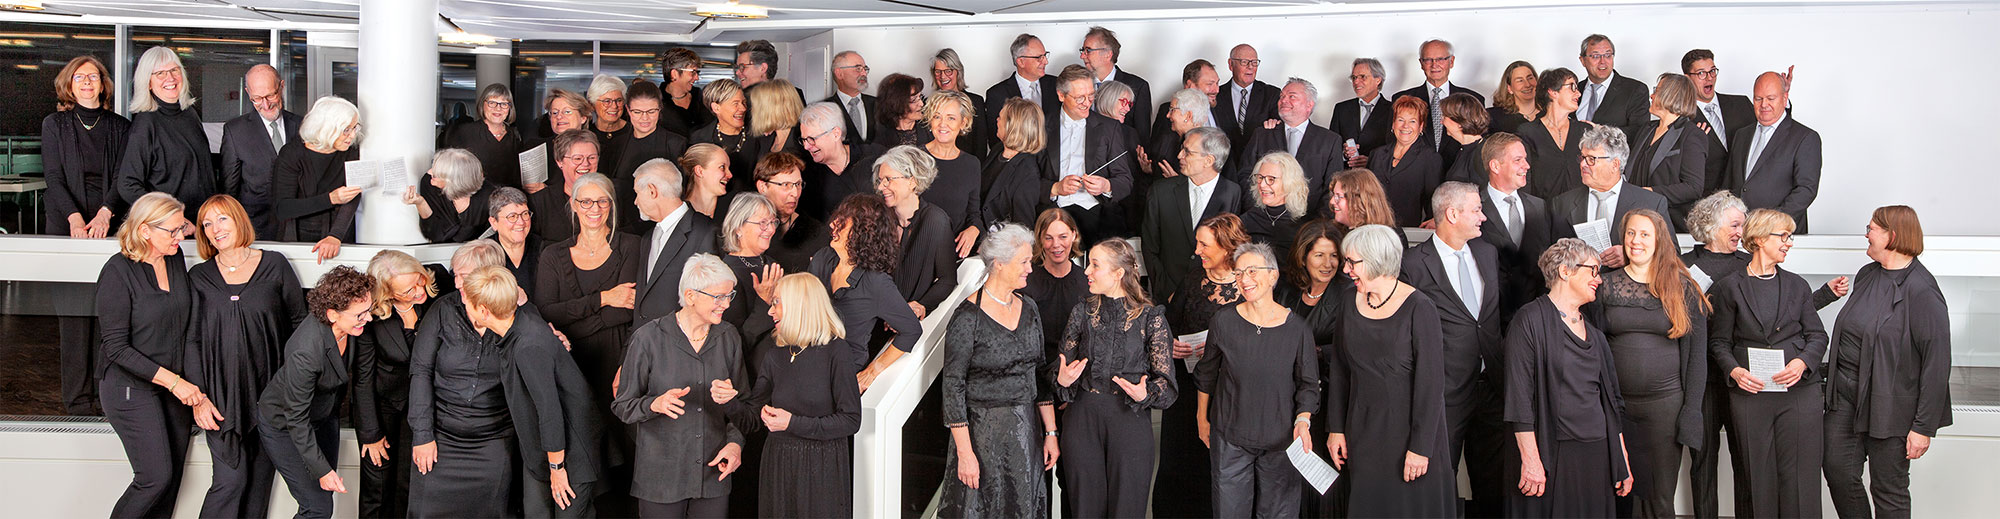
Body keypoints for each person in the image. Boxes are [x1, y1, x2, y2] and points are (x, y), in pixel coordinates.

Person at [179, 194, 303, 519]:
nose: (215, 229)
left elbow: (300, 323)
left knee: (259, 485)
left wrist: (295, 382)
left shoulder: (274, 264)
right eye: (207, 224)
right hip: (219, 397)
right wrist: (199, 400)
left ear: (238, 220)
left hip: (271, 395)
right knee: (230, 481)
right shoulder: (199, 277)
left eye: (222, 219)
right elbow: (189, 340)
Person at [1825, 206, 1951, 519]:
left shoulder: (1923, 291)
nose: (1866, 234)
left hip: (1891, 407)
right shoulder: (1867, 275)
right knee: (1838, 472)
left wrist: (1923, 428)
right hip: (1845, 399)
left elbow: (1937, 364)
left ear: (1891, 236)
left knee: (1888, 490)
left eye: (1871, 228)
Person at [1324, 225, 1455, 516]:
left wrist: (1420, 448)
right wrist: (1336, 429)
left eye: (1352, 262)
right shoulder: (1348, 301)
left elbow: (1431, 385)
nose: (1346, 270)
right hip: (1363, 432)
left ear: (1377, 260)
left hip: (1409, 436)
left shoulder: (1420, 307)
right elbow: (1341, 370)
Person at [1706, 209, 1827, 519]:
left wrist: (1802, 363)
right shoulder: (1729, 287)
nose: (1788, 243)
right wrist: (1733, 370)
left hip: (1799, 394)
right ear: (1759, 239)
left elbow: (1817, 336)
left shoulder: (1798, 286)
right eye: (1782, 236)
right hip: (1751, 395)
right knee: (1756, 477)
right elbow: (1718, 342)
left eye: (1790, 237)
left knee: (1800, 479)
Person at [1398, 182, 1510, 516]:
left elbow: (1490, 318)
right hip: (1444, 390)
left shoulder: (1488, 253)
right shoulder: (1414, 264)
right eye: (1476, 210)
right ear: (1452, 213)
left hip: (1492, 385)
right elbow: (1407, 333)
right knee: (1438, 481)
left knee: (1494, 481)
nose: (1483, 217)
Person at [1505, 238, 1635, 517]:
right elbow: (1519, 399)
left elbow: (1612, 402)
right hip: (1555, 453)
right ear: (1565, 271)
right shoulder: (1528, 322)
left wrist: (1621, 457)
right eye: (1593, 271)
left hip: (1597, 452)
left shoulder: (1596, 335)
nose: (1598, 280)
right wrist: (1530, 460)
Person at [1598, 209, 1715, 519]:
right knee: (1620, 496)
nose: (1636, 241)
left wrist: (1691, 412)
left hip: (1665, 408)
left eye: (1644, 234)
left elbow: (1696, 358)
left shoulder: (1683, 287)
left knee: (1660, 498)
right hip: (1616, 409)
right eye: (1630, 233)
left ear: (1660, 241)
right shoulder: (1604, 287)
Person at [1043, 236, 1171, 518]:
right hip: (1082, 420)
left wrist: (1145, 393)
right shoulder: (1082, 311)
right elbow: (1058, 370)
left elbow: (1166, 383)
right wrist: (1062, 380)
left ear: (1118, 274)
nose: (1086, 271)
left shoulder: (1151, 318)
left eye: (1095, 265)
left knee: (1127, 508)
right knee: (1084, 508)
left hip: (1130, 421)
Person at [612, 254, 748, 518]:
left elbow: (745, 407)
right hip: (660, 482)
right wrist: (654, 403)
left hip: (713, 477)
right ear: (690, 296)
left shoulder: (729, 337)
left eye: (728, 296)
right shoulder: (648, 339)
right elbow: (623, 406)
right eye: (717, 297)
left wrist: (735, 444)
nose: (725, 305)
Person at [939, 224, 1058, 518]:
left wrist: (1051, 432)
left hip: (1025, 434)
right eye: (1024, 262)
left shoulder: (1029, 308)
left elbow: (1039, 372)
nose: (1030, 269)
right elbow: (952, 388)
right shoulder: (967, 317)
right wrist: (966, 455)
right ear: (999, 263)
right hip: (981, 438)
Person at [1195, 243, 1319, 517]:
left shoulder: (1297, 328)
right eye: (1239, 273)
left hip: (1281, 441)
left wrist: (1303, 421)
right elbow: (1207, 373)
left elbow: (1308, 385)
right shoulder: (1223, 321)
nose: (1244, 279)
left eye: (1252, 271)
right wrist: (1202, 418)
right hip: (1230, 438)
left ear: (1273, 275)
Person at [96, 192, 200, 518]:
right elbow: (116, 347)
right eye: (172, 231)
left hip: (173, 387)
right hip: (129, 386)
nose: (180, 236)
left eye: (181, 228)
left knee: (171, 485)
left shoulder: (174, 257)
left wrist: (191, 388)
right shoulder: (117, 272)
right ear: (144, 231)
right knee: (155, 478)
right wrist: (175, 382)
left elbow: (184, 327)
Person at [480, 264, 607, 519]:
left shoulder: (528, 345)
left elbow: (549, 409)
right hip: (540, 451)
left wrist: (557, 468)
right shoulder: (518, 325)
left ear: (483, 311)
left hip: (569, 455)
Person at [534, 172, 642, 472]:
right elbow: (547, 312)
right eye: (585, 201)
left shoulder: (632, 246)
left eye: (601, 201)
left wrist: (575, 320)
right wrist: (604, 298)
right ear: (573, 204)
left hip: (618, 358)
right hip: (569, 361)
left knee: (623, 444)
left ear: (612, 204)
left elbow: (628, 312)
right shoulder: (553, 254)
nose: (594, 208)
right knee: (579, 446)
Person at [407, 241, 519, 518]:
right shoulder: (442, 310)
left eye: (465, 276)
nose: (457, 284)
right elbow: (420, 371)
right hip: (440, 440)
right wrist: (422, 435)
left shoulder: (517, 314)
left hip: (494, 442)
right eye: (456, 274)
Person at [43, 55, 129, 416]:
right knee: (74, 320)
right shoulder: (55, 124)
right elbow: (54, 178)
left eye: (93, 76)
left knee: (108, 316)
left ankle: (104, 398)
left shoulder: (121, 127)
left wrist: (105, 214)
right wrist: (76, 220)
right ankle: (77, 403)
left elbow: (125, 179)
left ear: (103, 84)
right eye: (80, 77)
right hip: (68, 230)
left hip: (108, 228)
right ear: (69, 83)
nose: (87, 82)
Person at [740, 273, 863, 517]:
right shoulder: (775, 354)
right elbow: (751, 417)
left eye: (776, 303)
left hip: (821, 469)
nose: (770, 312)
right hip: (778, 465)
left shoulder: (836, 352)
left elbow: (851, 420)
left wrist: (792, 423)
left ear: (798, 304)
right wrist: (728, 401)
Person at [258, 266, 373, 519]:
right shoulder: (306, 351)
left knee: (324, 497)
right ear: (332, 314)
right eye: (360, 314)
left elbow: (361, 382)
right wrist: (321, 470)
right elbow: (296, 419)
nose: (369, 318)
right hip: (285, 425)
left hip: (323, 416)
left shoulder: (353, 328)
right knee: (318, 507)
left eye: (368, 310)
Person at [1154, 213, 1247, 519]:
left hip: (1230, 393)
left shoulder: (1250, 285)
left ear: (1227, 248)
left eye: (1204, 245)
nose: (1197, 251)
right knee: (1178, 463)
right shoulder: (1194, 279)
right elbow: (1167, 324)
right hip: (1188, 388)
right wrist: (1173, 344)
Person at [355, 250, 448, 519]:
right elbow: (363, 377)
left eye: (418, 281)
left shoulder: (437, 279)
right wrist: (370, 434)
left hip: (430, 404)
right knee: (378, 487)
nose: (419, 291)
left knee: (413, 482)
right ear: (388, 294)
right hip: (385, 406)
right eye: (407, 291)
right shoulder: (371, 313)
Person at [809, 195, 924, 389]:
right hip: (809, 365)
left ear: (862, 231)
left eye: (842, 222)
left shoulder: (876, 282)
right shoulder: (822, 258)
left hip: (842, 377)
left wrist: (873, 370)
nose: (832, 225)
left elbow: (911, 330)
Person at [1552, 124, 1678, 269]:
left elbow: (1673, 255)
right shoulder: (1562, 204)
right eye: (1582, 157)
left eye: (1591, 159)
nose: (1582, 164)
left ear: (1615, 164)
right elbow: (1553, 256)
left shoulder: (1651, 203)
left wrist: (1630, 255)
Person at [1141, 126, 1242, 299]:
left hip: (1212, 296)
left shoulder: (1232, 192)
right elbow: (1149, 246)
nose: (1179, 155)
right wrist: (1163, 287)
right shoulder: (1161, 191)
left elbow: (1230, 247)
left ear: (1208, 160)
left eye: (1187, 152)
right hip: (1168, 294)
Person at [117, 47, 214, 222]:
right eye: (160, 73)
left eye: (174, 70)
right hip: (172, 228)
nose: (170, 78)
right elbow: (128, 185)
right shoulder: (146, 123)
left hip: (201, 222)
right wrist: (167, 217)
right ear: (147, 82)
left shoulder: (190, 113)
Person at [1724, 72, 1821, 233]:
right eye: (1758, 99)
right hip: (1741, 233)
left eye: (1771, 98)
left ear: (1784, 98)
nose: (1764, 105)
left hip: (1780, 234)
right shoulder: (1742, 135)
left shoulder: (1805, 137)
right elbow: (1730, 184)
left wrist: (1772, 222)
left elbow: (1806, 190)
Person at [273, 96, 364, 262]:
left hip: (339, 238)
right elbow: (283, 208)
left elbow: (353, 197)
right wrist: (331, 199)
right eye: (346, 130)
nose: (352, 136)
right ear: (327, 128)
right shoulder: (292, 155)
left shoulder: (351, 152)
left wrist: (335, 236)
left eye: (354, 128)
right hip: (297, 239)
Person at [1478, 133, 1559, 319]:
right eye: (1518, 160)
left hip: (1535, 316)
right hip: (1489, 318)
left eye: (1525, 159)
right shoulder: (1474, 207)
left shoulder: (1539, 207)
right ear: (1495, 166)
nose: (1527, 166)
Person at [1231, 77, 1341, 213]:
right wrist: (1255, 211)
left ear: (1309, 104)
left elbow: (1332, 186)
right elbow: (1245, 175)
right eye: (1281, 96)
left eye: (1292, 96)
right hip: (1264, 218)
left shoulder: (1330, 140)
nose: (1283, 100)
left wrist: (1318, 224)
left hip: (1310, 221)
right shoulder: (1262, 134)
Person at [875, 145, 960, 316]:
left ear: (912, 181)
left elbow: (947, 280)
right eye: (880, 181)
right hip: (876, 316)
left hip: (910, 322)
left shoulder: (936, 221)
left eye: (888, 180)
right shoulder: (878, 220)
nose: (880, 187)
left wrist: (921, 305)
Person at [220, 64, 301, 239]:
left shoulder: (303, 126)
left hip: (299, 227)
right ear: (248, 92)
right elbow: (230, 190)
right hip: (257, 229)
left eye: (271, 95)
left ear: (281, 86)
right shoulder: (235, 131)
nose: (265, 104)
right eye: (256, 98)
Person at [1680, 49, 1760, 209]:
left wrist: (1783, 102)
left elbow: (1770, 131)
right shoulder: (1682, 118)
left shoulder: (1741, 105)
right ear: (1688, 78)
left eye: (1712, 71)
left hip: (1750, 201)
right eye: (1701, 73)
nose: (1709, 77)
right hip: (1710, 206)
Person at [1628, 74, 1710, 227]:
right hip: (1635, 218)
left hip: (1668, 223)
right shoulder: (1647, 129)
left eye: (1656, 91)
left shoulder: (1691, 134)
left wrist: (1650, 192)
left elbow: (1693, 187)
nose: (1651, 95)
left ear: (1671, 95)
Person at [611, 79, 692, 231]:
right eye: (637, 112)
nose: (644, 118)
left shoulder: (676, 144)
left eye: (651, 111)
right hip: (623, 229)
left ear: (660, 109)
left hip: (662, 229)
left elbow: (684, 193)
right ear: (628, 110)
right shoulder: (616, 144)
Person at [1393, 39, 1486, 170]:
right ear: (1421, 63)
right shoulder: (1403, 99)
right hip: (1414, 173)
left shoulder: (1473, 99)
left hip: (1460, 174)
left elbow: (1479, 144)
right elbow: (1392, 140)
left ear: (1451, 61)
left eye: (1440, 59)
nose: (1434, 65)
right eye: (1428, 60)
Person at [798, 101, 887, 221]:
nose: (806, 146)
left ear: (836, 134)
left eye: (811, 139)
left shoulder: (875, 156)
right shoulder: (807, 174)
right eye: (803, 140)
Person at [922, 89, 987, 255]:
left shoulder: (971, 164)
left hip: (954, 254)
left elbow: (974, 214)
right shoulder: (913, 158)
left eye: (951, 118)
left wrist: (974, 229)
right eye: (937, 116)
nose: (942, 124)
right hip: (918, 252)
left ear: (963, 123)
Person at [1367, 95, 1445, 227]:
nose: (1405, 126)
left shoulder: (1430, 158)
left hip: (1410, 231)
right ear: (1393, 124)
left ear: (1421, 127)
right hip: (1374, 228)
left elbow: (1433, 202)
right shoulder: (1377, 154)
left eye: (1413, 121)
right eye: (1400, 120)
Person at [719, 193, 784, 349]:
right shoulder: (725, 273)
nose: (770, 230)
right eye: (762, 223)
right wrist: (764, 302)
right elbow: (736, 340)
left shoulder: (771, 263)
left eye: (773, 222)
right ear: (738, 228)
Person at [1024, 209, 1087, 361]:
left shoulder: (1087, 282)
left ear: (1074, 235)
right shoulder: (1025, 282)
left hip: (1076, 369)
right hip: (1035, 368)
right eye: (1048, 238)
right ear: (1039, 239)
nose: (1056, 245)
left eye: (1063, 237)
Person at [753, 153, 829, 272]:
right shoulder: (746, 228)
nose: (795, 193)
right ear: (763, 187)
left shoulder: (816, 232)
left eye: (798, 184)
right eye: (786, 185)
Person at [981, 98, 1049, 229]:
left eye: (1000, 117)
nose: (997, 120)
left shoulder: (1027, 173)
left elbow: (1023, 227)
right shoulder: (998, 149)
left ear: (1013, 126)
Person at [1143, 62, 1220, 174]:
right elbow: (1160, 158)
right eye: (1210, 84)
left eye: (1217, 83)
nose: (1217, 90)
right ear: (1190, 86)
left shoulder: (1220, 107)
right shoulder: (1168, 121)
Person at [406, 148, 495, 243]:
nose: (430, 172)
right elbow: (434, 234)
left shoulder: (490, 197)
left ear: (453, 181)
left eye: (436, 173)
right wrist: (421, 203)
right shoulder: (429, 183)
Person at [983, 33, 1062, 141]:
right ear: (1021, 61)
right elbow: (995, 140)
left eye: (1045, 55)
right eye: (1039, 57)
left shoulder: (1056, 85)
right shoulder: (997, 94)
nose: (1045, 61)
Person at [1520, 68, 1585, 199]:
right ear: (1553, 92)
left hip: (1581, 212)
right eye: (1572, 87)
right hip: (1543, 212)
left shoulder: (1585, 131)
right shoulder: (1527, 133)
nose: (1578, 93)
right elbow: (1524, 179)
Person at [527, 129, 600, 243]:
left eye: (592, 158)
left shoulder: (615, 195)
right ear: (560, 161)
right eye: (577, 159)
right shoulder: (539, 202)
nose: (585, 164)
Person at [448, 83, 527, 189]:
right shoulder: (465, 132)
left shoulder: (515, 137)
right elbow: (452, 171)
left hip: (506, 200)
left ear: (509, 108)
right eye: (492, 103)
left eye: (504, 104)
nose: (498, 108)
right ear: (482, 104)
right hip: (474, 198)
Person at [1081, 26, 1152, 142]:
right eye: (1082, 50)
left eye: (1088, 51)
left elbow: (1142, 136)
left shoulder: (1138, 86)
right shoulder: (1079, 85)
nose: (1082, 56)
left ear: (1108, 54)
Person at [1574, 35, 1650, 140]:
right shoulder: (1575, 89)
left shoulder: (1635, 90)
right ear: (1582, 60)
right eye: (1596, 56)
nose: (1603, 61)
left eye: (1608, 55)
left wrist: (1602, 131)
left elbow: (1640, 132)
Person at [1240, 153, 1308, 262]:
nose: (1262, 185)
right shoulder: (1245, 221)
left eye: (1271, 179)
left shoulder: (1302, 227)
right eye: (1260, 178)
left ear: (1289, 183)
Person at [690, 79, 755, 188]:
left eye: (743, 102)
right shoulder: (699, 139)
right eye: (735, 103)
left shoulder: (758, 136)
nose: (743, 108)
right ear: (716, 108)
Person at [1215, 44, 1281, 148]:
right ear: (1231, 64)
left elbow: (1279, 133)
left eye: (1254, 62)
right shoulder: (1216, 95)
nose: (1250, 67)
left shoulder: (1272, 94)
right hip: (1223, 161)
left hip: (1259, 161)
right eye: (1244, 62)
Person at [931, 48, 991, 160]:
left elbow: (980, 144)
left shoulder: (976, 102)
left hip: (967, 167)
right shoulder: (930, 104)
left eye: (948, 71)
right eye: (938, 71)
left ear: (958, 72)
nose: (943, 76)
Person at [1333, 58, 1393, 169]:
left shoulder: (1393, 110)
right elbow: (1331, 147)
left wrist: (1373, 161)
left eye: (1362, 77)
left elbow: (1396, 149)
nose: (1356, 82)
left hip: (1378, 179)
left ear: (1378, 80)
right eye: (1354, 77)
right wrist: (1344, 153)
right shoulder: (1341, 109)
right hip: (1347, 178)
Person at [489, 186, 544, 296]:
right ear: (494, 222)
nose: (521, 222)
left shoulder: (544, 249)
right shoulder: (482, 253)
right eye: (512, 216)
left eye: (525, 214)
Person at [748, 79, 807, 176]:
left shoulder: (802, 144)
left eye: (758, 106)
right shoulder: (767, 138)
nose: (753, 110)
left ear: (773, 109)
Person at [827, 50, 878, 144]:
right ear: (839, 73)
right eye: (858, 69)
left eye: (865, 69)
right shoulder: (825, 109)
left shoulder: (879, 104)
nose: (864, 74)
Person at [1440, 93, 1491, 185]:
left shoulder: (1482, 154)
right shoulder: (1464, 149)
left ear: (1459, 122)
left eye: (1444, 117)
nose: (1441, 121)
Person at [659, 48, 711, 138]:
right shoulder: (656, 103)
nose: (697, 78)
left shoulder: (703, 98)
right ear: (674, 74)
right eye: (693, 72)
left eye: (697, 72)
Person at [678, 143, 734, 219]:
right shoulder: (678, 213)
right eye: (722, 167)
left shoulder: (733, 211)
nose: (730, 175)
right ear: (699, 171)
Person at [873, 73, 929, 148]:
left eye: (920, 97)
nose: (921, 104)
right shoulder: (881, 137)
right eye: (914, 99)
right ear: (897, 103)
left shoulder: (930, 129)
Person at [1489, 61, 1541, 139]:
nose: (1527, 84)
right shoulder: (1495, 118)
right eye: (1520, 80)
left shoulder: (1550, 113)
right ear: (1509, 88)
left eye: (1530, 78)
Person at [589, 74, 631, 153]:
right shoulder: (586, 135)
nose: (614, 106)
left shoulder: (634, 133)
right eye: (607, 101)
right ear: (592, 104)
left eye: (619, 100)